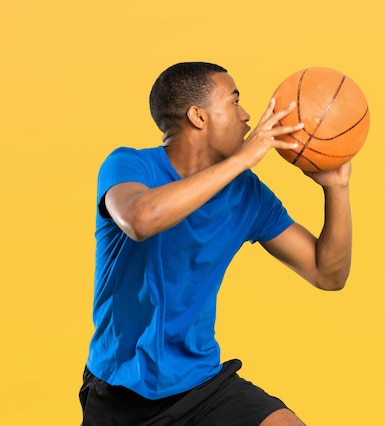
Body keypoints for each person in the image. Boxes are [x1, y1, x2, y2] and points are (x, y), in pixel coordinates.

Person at [79, 62, 353, 425]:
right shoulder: (130, 165)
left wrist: (336, 188)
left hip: (201, 386)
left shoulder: (247, 195)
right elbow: (141, 220)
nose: (247, 116)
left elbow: (327, 274)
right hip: (119, 390)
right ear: (198, 116)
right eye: (234, 102)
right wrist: (242, 160)